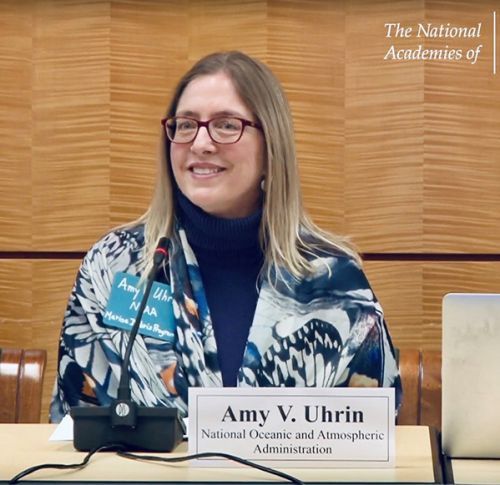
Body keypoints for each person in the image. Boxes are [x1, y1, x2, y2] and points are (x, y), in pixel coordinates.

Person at [50, 51, 401, 422]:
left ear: (271, 147)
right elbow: (75, 420)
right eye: (186, 125)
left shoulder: (333, 279)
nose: (200, 143)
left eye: (226, 125)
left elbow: (376, 431)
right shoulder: (116, 265)